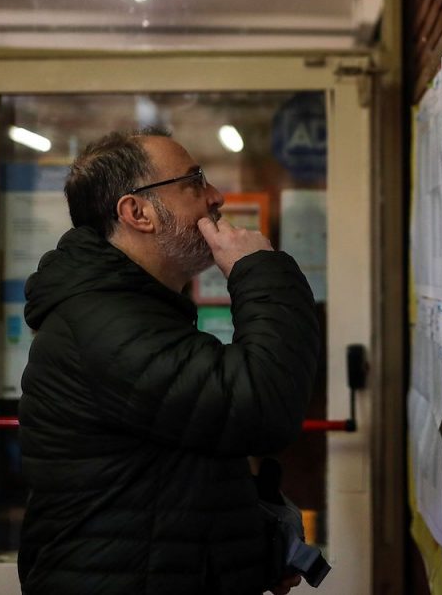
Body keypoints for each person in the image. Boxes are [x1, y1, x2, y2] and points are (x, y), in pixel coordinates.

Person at [17, 128, 319, 595]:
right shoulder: (104, 319)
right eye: (194, 182)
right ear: (137, 213)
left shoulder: (132, 308)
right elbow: (261, 405)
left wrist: (250, 548)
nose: (215, 196)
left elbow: (170, 476)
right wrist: (260, 269)